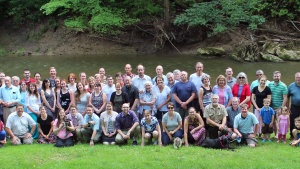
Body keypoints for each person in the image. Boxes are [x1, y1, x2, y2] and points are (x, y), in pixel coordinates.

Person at [268, 71, 288, 138]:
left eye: (278, 76)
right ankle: (276, 135)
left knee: (279, 122)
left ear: (280, 77)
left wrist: (281, 108)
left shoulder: (283, 86)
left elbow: (285, 98)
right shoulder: (270, 84)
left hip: (279, 107)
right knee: (273, 122)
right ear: (273, 77)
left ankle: (279, 135)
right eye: (275, 76)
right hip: (271, 107)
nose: (276, 77)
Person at [287, 72, 300, 139]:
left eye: (299, 77)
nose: (298, 79)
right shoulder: (291, 86)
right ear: (295, 78)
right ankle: (292, 135)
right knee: (293, 120)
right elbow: (287, 96)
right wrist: (288, 106)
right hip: (294, 106)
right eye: (297, 77)